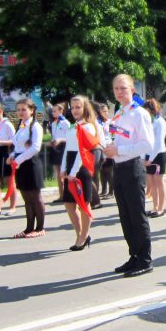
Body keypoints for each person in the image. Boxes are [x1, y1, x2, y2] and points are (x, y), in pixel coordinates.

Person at [105, 74, 155, 277]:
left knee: (137, 215)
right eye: (116, 88)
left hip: (133, 167)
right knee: (125, 216)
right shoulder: (118, 114)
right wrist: (111, 148)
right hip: (119, 168)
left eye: (123, 88)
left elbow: (147, 145)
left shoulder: (139, 113)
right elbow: (120, 140)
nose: (119, 92)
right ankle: (134, 256)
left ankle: (144, 259)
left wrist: (119, 151)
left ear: (132, 90)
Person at [60, 95, 98, 249]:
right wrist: (63, 168)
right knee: (69, 204)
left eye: (78, 107)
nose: (75, 110)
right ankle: (80, 233)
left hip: (81, 167)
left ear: (85, 108)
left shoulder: (87, 126)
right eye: (73, 107)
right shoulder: (72, 126)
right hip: (70, 165)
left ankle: (83, 237)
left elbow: (83, 152)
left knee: (83, 204)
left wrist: (73, 172)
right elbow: (67, 149)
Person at [8, 98, 45, 238]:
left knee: (35, 197)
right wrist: (12, 155)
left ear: (31, 110)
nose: (20, 112)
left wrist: (18, 159)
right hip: (21, 164)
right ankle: (29, 228)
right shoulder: (21, 125)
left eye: (24, 109)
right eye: (18, 110)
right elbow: (19, 146)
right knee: (26, 197)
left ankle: (40, 227)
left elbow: (36, 147)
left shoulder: (35, 126)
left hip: (31, 164)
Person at [143, 98, 166, 218]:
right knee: (151, 182)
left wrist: (150, 159)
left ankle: (161, 208)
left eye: (148, 111)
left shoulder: (160, 122)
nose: (147, 113)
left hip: (158, 155)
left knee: (158, 182)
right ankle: (154, 207)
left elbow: (158, 143)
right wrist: (144, 157)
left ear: (154, 110)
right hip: (148, 155)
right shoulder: (149, 122)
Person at [49, 102, 70, 202]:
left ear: (61, 111)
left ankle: (67, 194)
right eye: (52, 111)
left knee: (64, 172)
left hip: (63, 147)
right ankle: (61, 195)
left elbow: (69, 137)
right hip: (56, 147)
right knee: (58, 173)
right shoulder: (53, 123)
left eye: (55, 111)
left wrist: (60, 140)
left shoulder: (65, 123)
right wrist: (52, 142)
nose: (53, 113)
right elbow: (54, 136)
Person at [97, 103, 114, 198]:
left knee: (109, 170)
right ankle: (104, 190)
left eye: (107, 111)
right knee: (102, 170)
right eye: (104, 111)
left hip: (108, 146)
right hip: (99, 147)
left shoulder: (110, 122)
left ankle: (111, 192)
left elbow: (114, 135)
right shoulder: (97, 122)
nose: (106, 113)